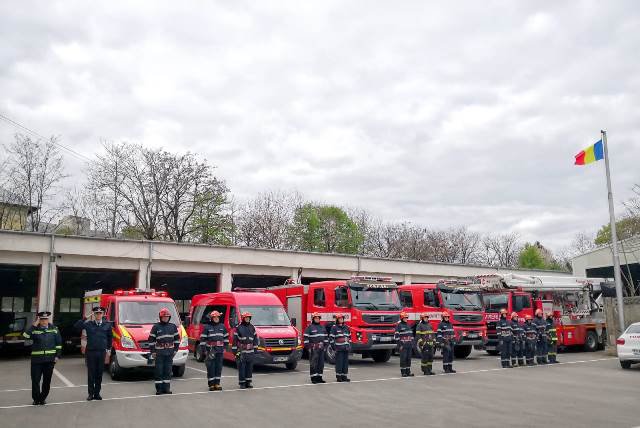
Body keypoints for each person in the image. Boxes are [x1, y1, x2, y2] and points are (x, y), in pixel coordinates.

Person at [23, 311, 62, 405]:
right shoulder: (35, 330)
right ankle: (36, 399)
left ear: (48, 319)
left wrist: (57, 356)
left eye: (46, 319)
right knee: (35, 381)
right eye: (42, 320)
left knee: (46, 381)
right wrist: (34, 325)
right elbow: (25, 336)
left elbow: (59, 344)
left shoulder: (54, 329)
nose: (44, 321)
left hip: (49, 360)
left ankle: (43, 398)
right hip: (37, 360)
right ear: (39, 320)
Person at [74, 306, 112, 400]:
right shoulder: (89, 324)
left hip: (102, 352)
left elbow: (110, 338)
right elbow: (76, 327)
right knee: (91, 373)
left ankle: (97, 393)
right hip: (91, 352)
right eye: (96, 313)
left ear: (102, 314)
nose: (98, 315)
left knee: (99, 373)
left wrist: (109, 349)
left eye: (100, 313)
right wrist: (85, 318)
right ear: (94, 315)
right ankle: (90, 394)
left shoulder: (107, 325)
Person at [148, 308, 180, 395]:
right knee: (159, 371)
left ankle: (167, 388)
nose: (165, 318)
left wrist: (175, 350)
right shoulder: (156, 327)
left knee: (168, 371)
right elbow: (151, 340)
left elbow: (177, 339)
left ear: (169, 317)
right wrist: (153, 351)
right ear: (160, 317)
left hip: (170, 353)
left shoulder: (173, 326)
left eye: (167, 317)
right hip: (159, 353)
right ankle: (159, 389)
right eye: (164, 317)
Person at [199, 310, 229, 391]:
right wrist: (204, 350)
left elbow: (226, 338)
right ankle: (211, 384)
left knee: (218, 367)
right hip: (211, 351)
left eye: (217, 317)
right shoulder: (207, 327)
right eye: (214, 317)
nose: (216, 318)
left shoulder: (222, 326)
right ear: (211, 318)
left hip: (220, 351)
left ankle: (217, 383)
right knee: (211, 367)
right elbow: (202, 339)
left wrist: (225, 348)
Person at [233, 311, 259, 389]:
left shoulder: (252, 327)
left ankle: (248, 382)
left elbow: (255, 339)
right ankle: (242, 383)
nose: (247, 319)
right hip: (242, 351)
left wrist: (255, 348)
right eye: (246, 318)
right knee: (242, 367)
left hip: (250, 351)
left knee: (249, 367)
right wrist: (235, 351)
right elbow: (235, 340)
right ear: (243, 318)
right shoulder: (239, 327)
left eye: (248, 318)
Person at [304, 312, 328, 384]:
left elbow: (326, 337)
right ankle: (313, 378)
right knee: (314, 363)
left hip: (321, 348)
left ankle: (319, 377)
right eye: (316, 318)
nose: (317, 319)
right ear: (313, 319)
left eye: (318, 318)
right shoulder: (309, 327)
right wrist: (308, 347)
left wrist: (325, 346)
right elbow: (305, 338)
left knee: (321, 364)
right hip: (313, 349)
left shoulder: (322, 327)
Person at [329, 314, 351, 382]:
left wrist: (349, 346)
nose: (341, 320)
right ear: (337, 320)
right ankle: (339, 376)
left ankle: (344, 376)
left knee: (345, 363)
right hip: (339, 349)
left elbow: (349, 337)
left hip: (346, 348)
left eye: (342, 318)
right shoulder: (334, 328)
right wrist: (333, 347)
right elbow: (331, 338)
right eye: (339, 319)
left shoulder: (346, 327)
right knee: (339, 363)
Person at [394, 312, 414, 377]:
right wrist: (400, 345)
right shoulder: (399, 326)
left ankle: (408, 372)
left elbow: (411, 335)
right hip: (403, 346)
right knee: (403, 358)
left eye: (406, 318)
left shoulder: (408, 325)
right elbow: (396, 337)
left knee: (408, 359)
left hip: (409, 345)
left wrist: (412, 343)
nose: (406, 319)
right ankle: (403, 372)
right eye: (405, 318)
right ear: (402, 318)